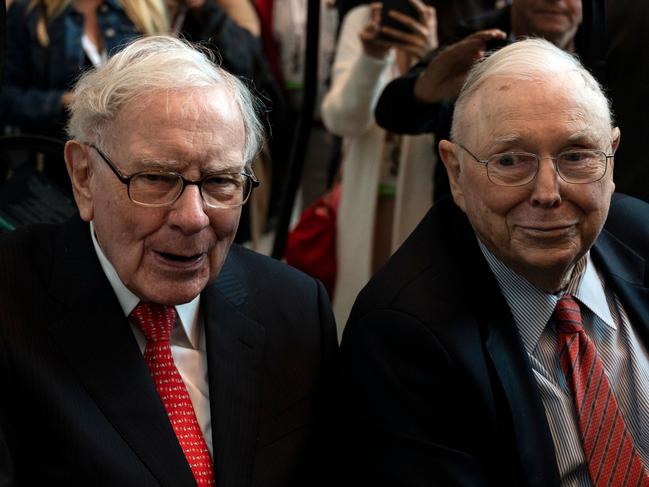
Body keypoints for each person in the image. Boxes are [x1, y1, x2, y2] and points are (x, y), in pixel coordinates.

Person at [0, 35, 337, 485]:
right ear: (83, 177)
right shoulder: (10, 305)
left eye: (220, 181)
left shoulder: (295, 309)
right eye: (156, 179)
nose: (193, 218)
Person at [338, 39, 649, 486]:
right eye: (510, 161)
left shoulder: (642, 237)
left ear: (612, 156)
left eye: (576, 155)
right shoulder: (403, 334)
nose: (548, 192)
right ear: (456, 172)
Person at [374, 0, 584, 201]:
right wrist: (425, 88)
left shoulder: (610, 44)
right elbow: (391, 112)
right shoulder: (474, 39)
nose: (555, 0)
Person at [320, 0, 437, 331]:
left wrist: (432, 58)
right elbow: (342, 121)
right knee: (358, 304)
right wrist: (371, 58)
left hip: (426, 200)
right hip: (364, 197)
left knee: (418, 312)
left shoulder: (460, 20)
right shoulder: (362, 20)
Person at [2, 0, 168, 139]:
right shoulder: (31, 12)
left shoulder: (145, 8)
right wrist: (64, 101)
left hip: (132, 147)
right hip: (55, 156)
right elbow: (7, 99)